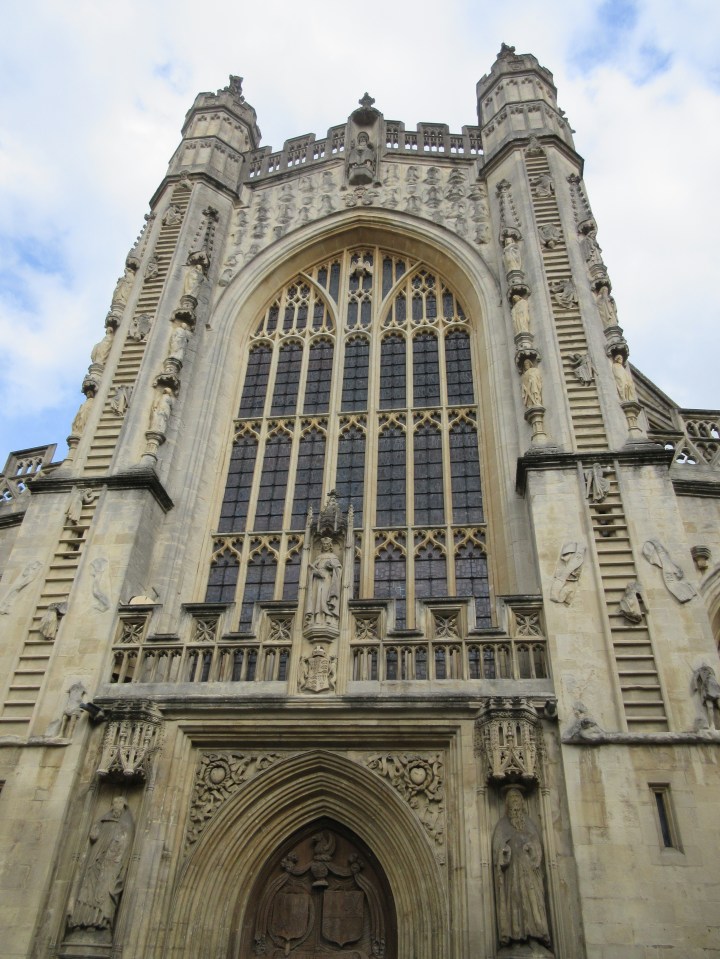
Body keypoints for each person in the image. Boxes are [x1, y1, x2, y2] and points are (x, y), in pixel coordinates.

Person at [492, 788, 551, 949]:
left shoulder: (529, 824)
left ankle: (535, 938)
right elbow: (498, 848)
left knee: (533, 904)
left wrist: (532, 849)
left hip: (529, 875)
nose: (515, 801)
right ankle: (515, 940)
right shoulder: (502, 826)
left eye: (518, 798)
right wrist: (504, 852)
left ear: (523, 802)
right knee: (515, 905)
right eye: (512, 798)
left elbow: (537, 847)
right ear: (507, 804)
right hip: (512, 876)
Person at [67, 797, 135, 932]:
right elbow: (93, 837)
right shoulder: (102, 821)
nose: (116, 805)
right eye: (114, 803)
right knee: (88, 890)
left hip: (111, 864)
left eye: (120, 803)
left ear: (125, 806)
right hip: (96, 860)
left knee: (104, 893)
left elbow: (124, 845)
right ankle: (81, 920)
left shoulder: (126, 825)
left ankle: (100, 922)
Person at [305, 537, 342, 627]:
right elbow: (311, 569)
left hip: (328, 579)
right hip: (317, 581)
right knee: (317, 598)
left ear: (330, 546)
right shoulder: (318, 557)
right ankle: (317, 618)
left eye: (327, 544)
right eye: (324, 544)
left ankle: (328, 618)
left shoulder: (333, 557)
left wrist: (332, 567)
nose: (325, 546)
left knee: (325, 598)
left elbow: (339, 570)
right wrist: (315, 573)